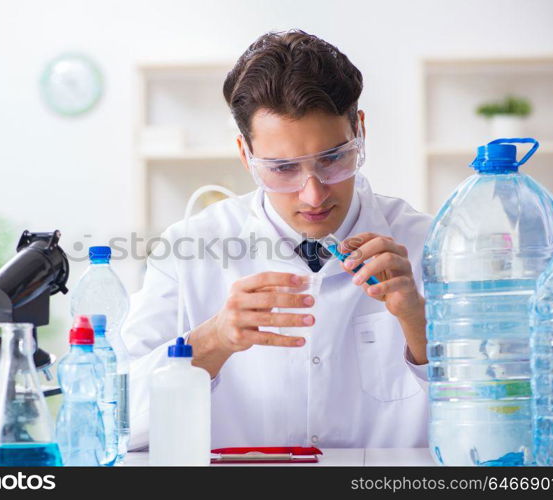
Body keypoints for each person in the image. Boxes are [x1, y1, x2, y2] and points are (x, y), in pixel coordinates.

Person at [123, 30, 431, 449]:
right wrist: (212, 340)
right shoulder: (187, 252)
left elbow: (497, 428)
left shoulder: (429, 243)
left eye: (333, 158)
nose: (313, 193)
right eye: (282, 168)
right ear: (245, 155)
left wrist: (420, 323)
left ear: (360, 131)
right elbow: (118, 422)